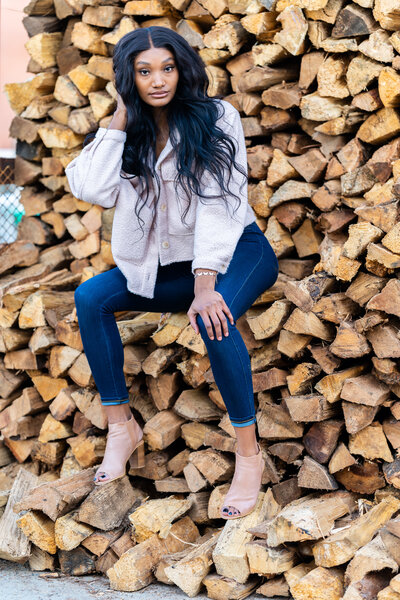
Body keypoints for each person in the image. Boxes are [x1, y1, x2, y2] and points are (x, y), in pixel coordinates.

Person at [65, 26, 279, 519]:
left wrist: (207, 285)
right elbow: (91, 188)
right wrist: (120, 115)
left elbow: (220, 204)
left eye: (167, 67)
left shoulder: (215, 116)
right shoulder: (128, 131)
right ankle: (121, 427)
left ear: (182, 70)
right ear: (128, 79)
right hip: (167, 267)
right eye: (143, 72)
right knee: (90, 297)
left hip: (237, 252)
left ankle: (250, 457)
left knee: (213, 317)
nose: (157, 80)